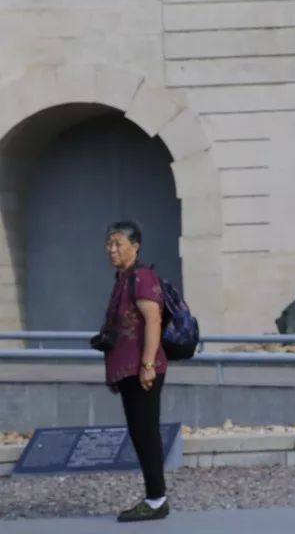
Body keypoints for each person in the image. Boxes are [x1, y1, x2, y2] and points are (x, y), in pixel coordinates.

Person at [100, 220, 170, 523]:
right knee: (140, 433)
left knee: (146, 433)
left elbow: (153, 320)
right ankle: (155, 497)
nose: (112, 249)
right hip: (129, 371)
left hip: (143, 370)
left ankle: (157, 499)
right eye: (109, 243)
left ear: (135, 245)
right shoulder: (123, 278)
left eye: (118, 243)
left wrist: (147, 365)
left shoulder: (142, 277)